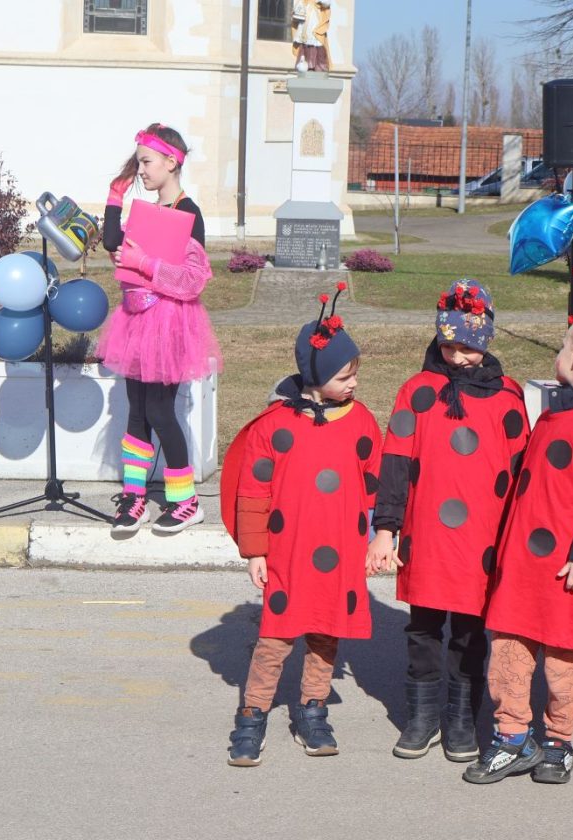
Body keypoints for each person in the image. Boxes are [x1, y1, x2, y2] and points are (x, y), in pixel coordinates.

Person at [464, 312, 573, 786]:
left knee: (566, 660)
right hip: (526, 563)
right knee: (508, 650)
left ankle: (557, 742)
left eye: (563, 348)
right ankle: (511, 737)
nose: (559, 356)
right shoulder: (557, 411)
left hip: (569, 565)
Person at [366, 279, 529, 763]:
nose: (459, 356)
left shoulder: (507, 396)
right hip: (427, 535)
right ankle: (421, 715)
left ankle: (461, 717)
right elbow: (394, 462)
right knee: (423, 628)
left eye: (470, 347)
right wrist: (385, 528)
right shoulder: (417, 392)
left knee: (471, 631)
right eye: (451, 345)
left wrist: (517, 539)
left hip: (484, 536)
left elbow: (522, 474)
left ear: (488, 342)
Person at [223, 286, 381, 767]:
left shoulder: (363, 423)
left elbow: (376, 489)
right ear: (314, 376)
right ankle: (252, 715)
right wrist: (256, 552)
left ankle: (312, 711)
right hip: (288, 555)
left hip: (339, 552)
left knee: (325, 634)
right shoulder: (275, 427)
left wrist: (379, 541)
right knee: (275, 638)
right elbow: (253, 493)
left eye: (355, 373)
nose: (352, 383)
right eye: (342, 375)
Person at [98, 123, 220, 535]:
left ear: (172, 162)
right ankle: (135, 497)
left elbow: (192, 280)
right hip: (135, 319)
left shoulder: (188, 213)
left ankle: (185, 500)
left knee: (160, 410)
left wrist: (144, 265)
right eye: (138, 163)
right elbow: (111, 240)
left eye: (146, 162)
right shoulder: (148, 212)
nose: (141, 170)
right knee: (136, 410)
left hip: (168, 323)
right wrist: (116, 195)